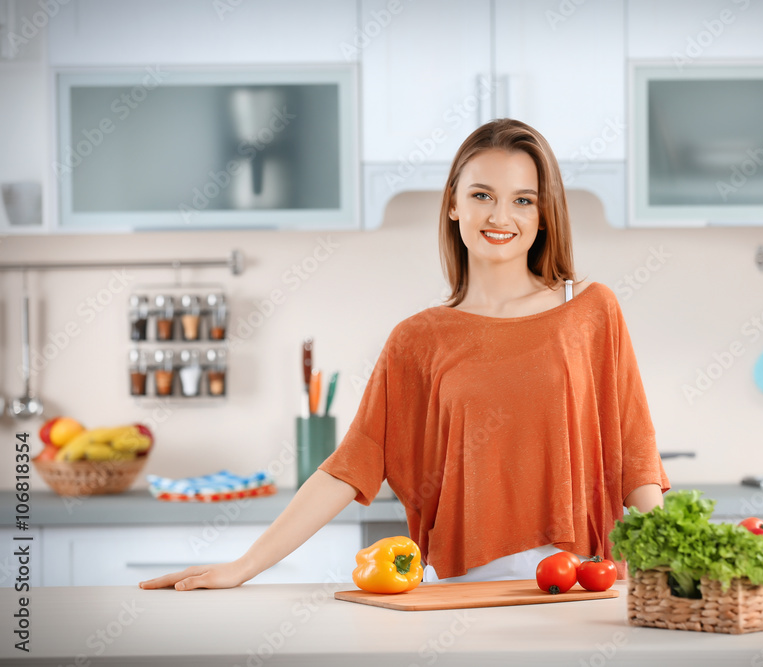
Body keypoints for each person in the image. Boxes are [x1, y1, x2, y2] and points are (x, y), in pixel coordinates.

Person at [139, 118, 668, 591]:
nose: (501, 215)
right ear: (454, 204)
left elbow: (636, 455)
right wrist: (243, 566)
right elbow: (350, 467)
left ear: (544, 214)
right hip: (462, 592)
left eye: (523, 199)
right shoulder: (419, 338)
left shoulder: (591, 310)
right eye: (482, 195)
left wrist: (668, 564)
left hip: (578, 584)